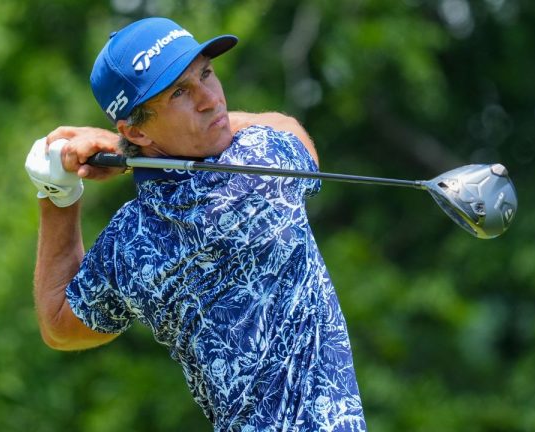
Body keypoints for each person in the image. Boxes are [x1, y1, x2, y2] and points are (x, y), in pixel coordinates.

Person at [25, 17, 367, 431]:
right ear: (137, 129)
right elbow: (291, 129)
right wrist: (126, 149)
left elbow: (59, 325)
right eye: (181, 93)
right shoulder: (262, 164)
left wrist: (57, 193)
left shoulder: (132, 242)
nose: (210, 100)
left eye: (206, 74)